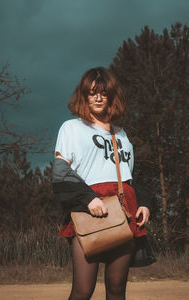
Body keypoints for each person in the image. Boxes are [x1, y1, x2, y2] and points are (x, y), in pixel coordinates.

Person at [52, 67, 152, 300]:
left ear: (112, 97)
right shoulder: (72, 128)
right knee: (83, 290)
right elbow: (60, 171)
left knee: (117, 290)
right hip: (89, 211)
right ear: (84, 96)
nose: (98, 98)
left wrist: (145, 203)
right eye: (92, 92)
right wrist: (88, 199)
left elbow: (131, 176)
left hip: (123, 213)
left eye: (103, 93)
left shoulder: (122, 134)